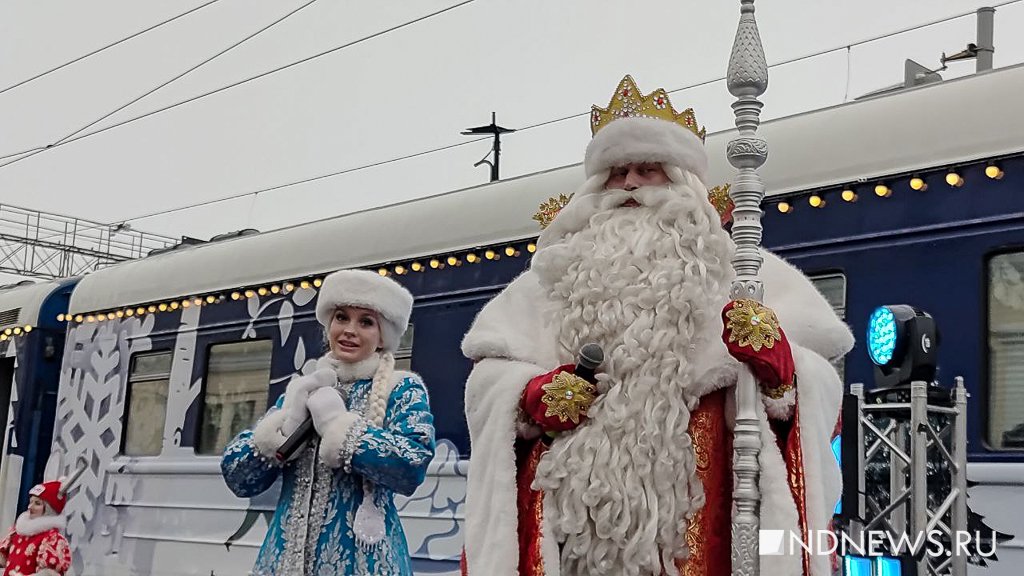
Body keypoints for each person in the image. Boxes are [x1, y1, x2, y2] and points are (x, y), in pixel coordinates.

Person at [460, 75, 854, 576]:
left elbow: (823, 402)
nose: (628, 185)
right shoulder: (545, 282)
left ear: (683, 183)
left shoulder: (746, 276)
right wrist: (531, 396)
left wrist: (779, 365)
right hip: (570, 535)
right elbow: (485, 383)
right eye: (615, 172)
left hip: (703, 529)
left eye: (648, 170)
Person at [221, 269, 435, 575]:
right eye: (341, 317)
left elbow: (412, 466)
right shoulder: (303, 390)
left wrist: (342, 429)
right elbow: (239, 478)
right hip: (283, 563)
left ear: (382, 335)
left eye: (366, 322)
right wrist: (284, 427)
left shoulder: (401, 388)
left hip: (364, 564)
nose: (349, 330)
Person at [0, 480, 72, 576]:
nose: (30, 507)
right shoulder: (17, 533)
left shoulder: (52, 539)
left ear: (49, 510)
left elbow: (49, 573)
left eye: (37, 503)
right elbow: (3, 560)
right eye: (31, 502)